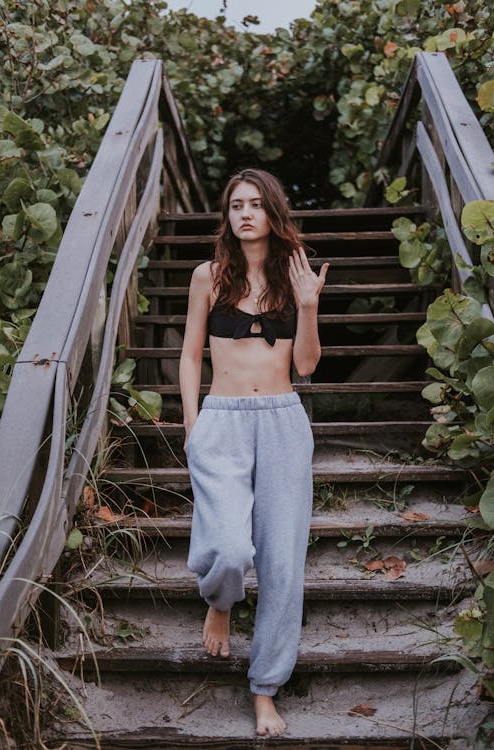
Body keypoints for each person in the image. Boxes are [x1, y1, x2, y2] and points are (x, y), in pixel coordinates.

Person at [179, 168, 328, 736]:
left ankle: (265, 689)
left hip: (284, 424)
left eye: (255, 204)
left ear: (272, 213)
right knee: (229, 546)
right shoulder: (208, 276)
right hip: (222, 420)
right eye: (236, 204)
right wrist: (193, 421)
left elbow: (307, 367)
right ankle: (221, 599)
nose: (245, 213)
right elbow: (191, 355)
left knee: (284, 567)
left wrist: (310, 305)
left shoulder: (297, 278)